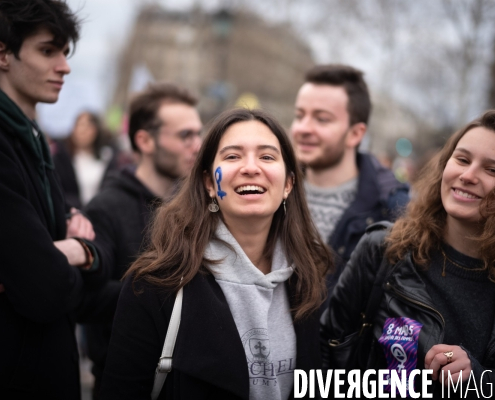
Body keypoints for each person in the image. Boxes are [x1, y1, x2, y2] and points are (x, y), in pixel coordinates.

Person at [101, 108, 332, 399]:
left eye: (267, 157)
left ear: (288, 184)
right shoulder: (155, 285)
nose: (251, 167)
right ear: (210, 183)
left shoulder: (310, 278)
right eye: (233, 156)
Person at [321, 110, 495, 397]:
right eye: (462, 159)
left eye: (492, 170)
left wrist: (480, 381)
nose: (468, 176)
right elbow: (324, 360)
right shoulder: (384, 250)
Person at [0, 1, 103, 399]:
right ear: (1, 53)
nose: (64, 67)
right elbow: (46, 292)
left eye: (64, 53)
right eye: (47, 50)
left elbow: (87, 264)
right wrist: (73, 260)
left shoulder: (30, 139)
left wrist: (80, 253)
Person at [82, 82, 203, 399]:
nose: (197, 145)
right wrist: (164, 291)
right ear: (145, 140)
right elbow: (85, 300)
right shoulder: (106, 208)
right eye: (184, 135)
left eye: (198, 134)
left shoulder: (199, 208)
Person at [290, 64, 409, 305]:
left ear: (356, 134)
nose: (303, 128)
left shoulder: (393, 212)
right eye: (299, 115)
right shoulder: (271, 192)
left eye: (322, 119)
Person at [52, 111, 118, 209]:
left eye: (87, 126)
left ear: (96, 130)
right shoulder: (62, 159)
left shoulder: (107, 157)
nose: (82, 130)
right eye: (78, 125)